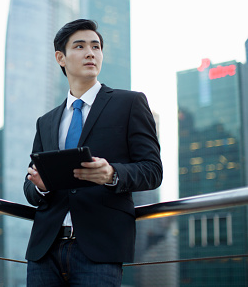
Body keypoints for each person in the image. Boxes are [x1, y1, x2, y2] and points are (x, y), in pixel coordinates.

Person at [24, 19, 163, 286]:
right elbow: (29, 189)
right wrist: (42, 186)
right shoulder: (47, 121)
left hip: (100, 250)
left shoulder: (130, 103)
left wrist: (111, 174)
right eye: (80, 46)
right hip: (45, 251)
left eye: (96, 46)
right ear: (60, 58)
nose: (91, 52)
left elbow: (152, 171)